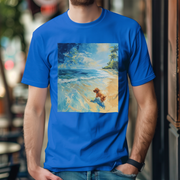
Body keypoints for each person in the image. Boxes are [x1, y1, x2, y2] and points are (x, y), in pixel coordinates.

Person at [21, 0, 158, 180]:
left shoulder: (129, 30)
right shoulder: (43, 36)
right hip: (61, 171)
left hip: (114, 170)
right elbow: (34, 108)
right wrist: (32, 166)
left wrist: (135, 161)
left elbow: (148, 103)